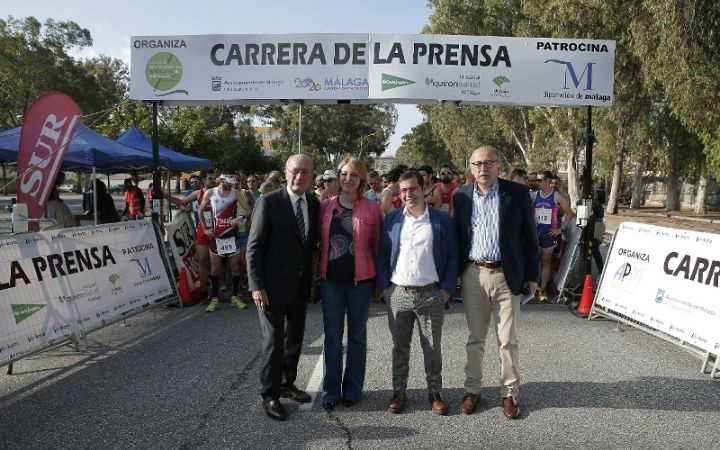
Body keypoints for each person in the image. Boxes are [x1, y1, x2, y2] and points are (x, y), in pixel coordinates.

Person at [452, 145, 540, 419]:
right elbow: (457, 238)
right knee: (475, 338)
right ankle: (472, 391)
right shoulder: (461, 196)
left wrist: (533, 276)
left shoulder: (516, 193)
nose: (483, 168)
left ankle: (509, 394)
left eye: (488, 162)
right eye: (477, 163)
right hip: (473, 274)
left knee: (507, 340)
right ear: (471, 166)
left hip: (507, 274)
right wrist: (454, 273)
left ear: (498, 165)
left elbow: (530, 236)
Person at [376, 170, 459, 416]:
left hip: (431, 294)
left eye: (413, 189)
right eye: (403, 190)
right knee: (399, 347)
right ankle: (399, 391)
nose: (408, 194)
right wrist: (385, 288)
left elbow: (454, 255)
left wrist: (446, 290)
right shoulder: (391, 220)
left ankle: (435, 393)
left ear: (423, 189)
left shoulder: (441, 220)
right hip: (398, 294)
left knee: (432, 347)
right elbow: (381, 255)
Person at [247, 154, 319, 421]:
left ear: (313, 176)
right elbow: (254, 248)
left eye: (306, 172)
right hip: (270, 289)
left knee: (294, 340)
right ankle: (270, 395)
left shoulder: (313, 203)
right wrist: (256, 286)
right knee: (273, 342)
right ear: (286, 173)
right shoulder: (268, 202)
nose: (300, 176)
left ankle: (287, 384)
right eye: (295, 171)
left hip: (299, 287)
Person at [317, 156, 382, 410]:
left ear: (361, 179)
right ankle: (331, 391)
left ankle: (353, 389)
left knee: (357, 336)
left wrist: (379, 283)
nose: (347, 179)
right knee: (332, 337)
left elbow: (378, 248)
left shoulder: (372, 208)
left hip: (361, 283)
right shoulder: (326, 207)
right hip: (330, 282)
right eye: (343, 174)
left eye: (353, 175)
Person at [197, 173, 253, 312]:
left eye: (233, 181)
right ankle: (214, 298)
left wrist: (240, 217)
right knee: (215, 269)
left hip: (231, 236)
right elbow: (200, 210)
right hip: (216, 236)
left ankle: (234, 297)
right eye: (229, 181)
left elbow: (248, 210)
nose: (232, 184)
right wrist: (205, 228)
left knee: (235, 267)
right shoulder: (211, 192)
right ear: (222, 179)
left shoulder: (236, 193)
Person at [165, 174, 216, 304]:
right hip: (203, 231)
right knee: (203, 259)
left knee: (217, 262)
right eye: (211, 179)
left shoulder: (219, 192)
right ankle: (203, 290)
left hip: (218, 230)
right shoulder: (198, 193)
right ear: (204, 181)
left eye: (214, 179)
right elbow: (181, 202)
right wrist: (164, 195)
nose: (213, 181)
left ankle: (218, 289)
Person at [532, 171, 574, 302]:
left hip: (548, 234)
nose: (537, 183)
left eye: (540, 180)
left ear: (547, 180)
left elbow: (570, 213)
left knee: (546, 262)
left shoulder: (557, 196)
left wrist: (560, 229)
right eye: (537, 180)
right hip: (535, 233)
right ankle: (532, 289)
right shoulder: (534, 195)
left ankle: (542, 289)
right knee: (534, 261)